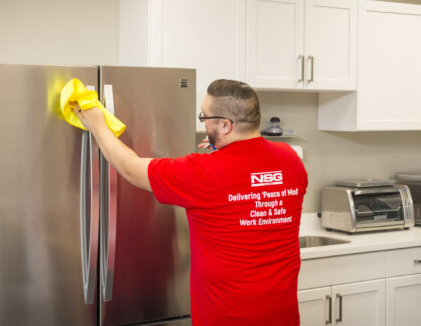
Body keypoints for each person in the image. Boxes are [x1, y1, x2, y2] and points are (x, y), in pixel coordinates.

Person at [75, 79, 308, 325]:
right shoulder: (291, 160)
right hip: (282, 317)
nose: (204, 122)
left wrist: (97, 124)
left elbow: (130, 168)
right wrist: (223, 151)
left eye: (205, 117)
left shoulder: (202, 172)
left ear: (225, 125)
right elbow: (251, 181)